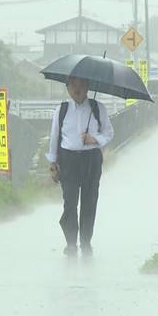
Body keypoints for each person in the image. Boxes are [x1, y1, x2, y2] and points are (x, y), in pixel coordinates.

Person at [46, 76, 114, 257]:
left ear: (88, 87)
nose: (77, 89)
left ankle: (85, 242)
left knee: (89, 201)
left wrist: (95, 139)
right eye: (73, 86)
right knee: (70, 202)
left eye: (81, 85)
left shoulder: (98, 108)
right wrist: (53, 163)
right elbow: (54, 136)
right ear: (68, 88)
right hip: (68, 160)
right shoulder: (62, 110)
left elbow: (108, 132)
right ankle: (70, 243)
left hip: (91, 159)